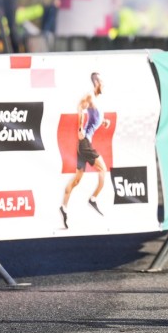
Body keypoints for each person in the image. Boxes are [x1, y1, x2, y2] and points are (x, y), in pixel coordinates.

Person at [60, 72, 111, 227]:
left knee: (76, 180)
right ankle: (93, 199)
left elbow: (94, 117)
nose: (104, 85)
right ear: (96, 82)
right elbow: (80, 108)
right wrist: (80, 129)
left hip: (82, 146)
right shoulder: (89, 96)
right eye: (102, 81)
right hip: (85, 144)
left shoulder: (96, 101)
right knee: (103, 169)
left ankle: (63, 207)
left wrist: (104, 122)